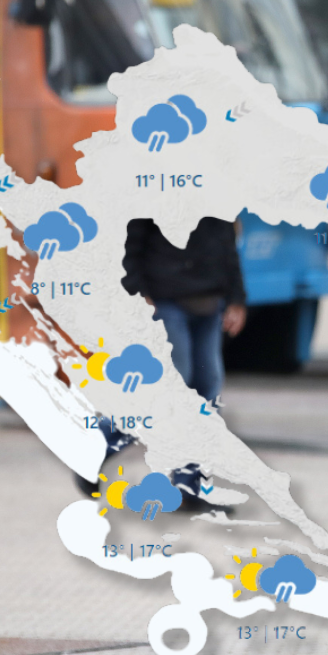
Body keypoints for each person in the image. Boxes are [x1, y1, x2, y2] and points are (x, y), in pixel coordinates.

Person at [98, 216, 247, 504]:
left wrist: (236, 299)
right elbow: (130, 240)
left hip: (208, 303)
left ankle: (191, 485)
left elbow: (229, 244)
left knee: (206, 392)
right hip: (166, 302)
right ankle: (97, 444)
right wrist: (138, 292)